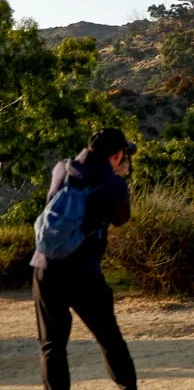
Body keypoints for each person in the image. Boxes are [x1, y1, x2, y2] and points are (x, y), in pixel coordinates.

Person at [31, 128, 137, 390]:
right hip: (83, 272)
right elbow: (121, 219)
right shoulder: (113, 184)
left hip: (45, 266)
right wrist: (117, 180)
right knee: (109, 338)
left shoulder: (61, 169)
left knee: (52, 345)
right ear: (117, 156)